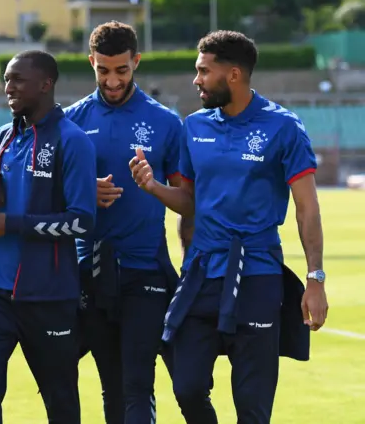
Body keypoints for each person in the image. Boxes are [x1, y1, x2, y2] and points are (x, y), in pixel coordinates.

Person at [130, 30, 328, 424]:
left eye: (204, 71)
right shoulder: (195, 126)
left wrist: (315, 279)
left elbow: (307, 208)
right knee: (186, 385)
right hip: (202, 274)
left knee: (252, 405)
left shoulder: (283, 127)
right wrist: (153, 187)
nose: (196, 80)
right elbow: (190, 202)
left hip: (257, 275)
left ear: (233, 74)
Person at [63, 21, 191, 424]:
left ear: (136, 61)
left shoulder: (167, 122)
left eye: (121, 70)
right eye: (103, 70)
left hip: (144, 269)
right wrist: (85, 190)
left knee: (138, 382)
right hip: (89, 269)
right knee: (110, 385)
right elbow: (44, 195)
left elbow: (188, 202)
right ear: (91, 63)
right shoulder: (69, 121)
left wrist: (152, 186)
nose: (112, 80)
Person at [0, 50, 97, 424]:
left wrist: (13, 225)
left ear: (46, 84)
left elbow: (82, 222)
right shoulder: (3, 139)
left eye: (18, 79)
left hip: (48, 296)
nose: (9, 87)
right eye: (6, 79)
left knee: (60, 399)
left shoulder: (73, 141)